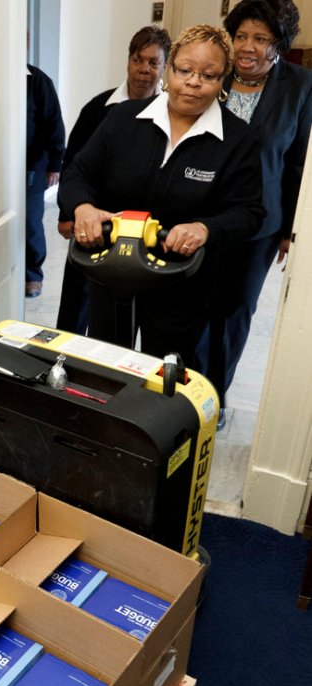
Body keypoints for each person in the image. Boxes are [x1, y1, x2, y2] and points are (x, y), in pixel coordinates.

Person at [57, 24, 265, 379]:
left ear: (223, 80)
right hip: (110, 270)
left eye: (209, 75)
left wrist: (204, 228)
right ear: (169, 69)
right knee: (106, 369)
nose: (194, 82)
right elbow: (78, 173)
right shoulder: (123, 118)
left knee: (168, 377)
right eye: (185, 70)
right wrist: (83, 207)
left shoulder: (237, 140)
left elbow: (249, 212)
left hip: (181, 283)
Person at [201, 0, 312, 422]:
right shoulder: (215, 73)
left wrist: (290, 230)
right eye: (241, 36)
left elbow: (299, 161)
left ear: (279, 45)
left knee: (234, 311)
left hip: (260, 224)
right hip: (201, 215)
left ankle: (214, 395)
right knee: (193, 305)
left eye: (260, 38)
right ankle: (185, 390)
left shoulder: (300, 86)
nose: (247, 47)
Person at [56, 25, 172, 333]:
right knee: (77, 297)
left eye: (153, 62)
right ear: (128, 61)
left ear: (164, 67)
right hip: (93, 216)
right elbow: (73, 163)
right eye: (137, 60)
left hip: (142, 225)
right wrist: (67, 213)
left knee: (126, 307)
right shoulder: (98, 108)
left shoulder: (172, 114)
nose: (144, 69)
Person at [26, 61, 65, 298]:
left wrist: (55, 164)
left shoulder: (38, 81)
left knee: (30, 221)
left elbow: (54, 124)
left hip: (32, 165)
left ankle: (32, 275)